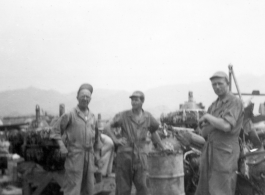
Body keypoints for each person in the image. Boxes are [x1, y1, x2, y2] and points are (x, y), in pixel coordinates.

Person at [105, 90, 166, 195]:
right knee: (123, 188)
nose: (133, 102)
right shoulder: (123, 115)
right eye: (132, 100)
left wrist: (162, 146)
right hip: (124, 156)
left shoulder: (148, 117)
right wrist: (116, 140)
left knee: (143, 187)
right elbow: (107, 127)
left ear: (142, 101)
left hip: (141, 157)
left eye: (136, 100)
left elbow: (153, 132)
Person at [195, 71, 244, 195]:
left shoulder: (234, 102)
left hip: (225, 153)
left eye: (220, 84)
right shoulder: (214, 105)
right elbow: (204, 132)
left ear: (227, 84)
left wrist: (208, 118)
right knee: (205, 190)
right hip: (210, 152)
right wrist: (216, 123)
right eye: (214, 85)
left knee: (222, 190)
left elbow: (226, 126)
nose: (217, 87)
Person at [51, 83, 101, 195]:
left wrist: (97, 154)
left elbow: (97, 138)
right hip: (75, 156)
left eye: (88, 97)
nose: (85, 98)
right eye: (82, 95)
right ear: (77, 97)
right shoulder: (70, 114)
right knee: (73, 187)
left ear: (90, 99)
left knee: (89, 187)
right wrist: (62, 146)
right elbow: (55, 130)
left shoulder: (93, 117)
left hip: (90, 157)